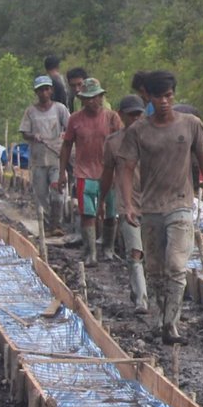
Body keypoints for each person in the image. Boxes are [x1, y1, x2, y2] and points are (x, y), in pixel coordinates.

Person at [115, 70, 203, 343]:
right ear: (149, 98)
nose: (164, 101)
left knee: (176, 265)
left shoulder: (190, 125)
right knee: (155, 269)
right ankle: (160, 318)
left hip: (180, 205)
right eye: (159, 97)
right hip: (151, 207)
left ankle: (171, 324)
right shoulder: (139, 131)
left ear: (173, 95)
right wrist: (128, 204)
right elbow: (126, 168)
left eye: (168, 96)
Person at [59, 78, 122, 265]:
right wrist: (62, 172)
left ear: (101, 97)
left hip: (108, 172)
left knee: (110, 212)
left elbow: (122, 143)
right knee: (87, 213)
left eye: (96, 97)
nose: (92, 101)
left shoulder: (111, 118)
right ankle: (90, 252)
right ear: (82, 100)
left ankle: (108, 248)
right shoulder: (75, 119)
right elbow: (66, 145)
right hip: (84, 172)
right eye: (88, 98)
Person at [100, 94, 151, 312]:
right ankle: (141, 299)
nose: (136, 119)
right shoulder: (113, 143)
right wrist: (102, 200)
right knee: (134, 252)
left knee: (152, 254)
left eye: (139, 114)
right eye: (131, 115)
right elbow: (107, 174)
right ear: (121, 115)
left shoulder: (153, 139)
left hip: (153, 203)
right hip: (127, 204)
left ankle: (147, 292)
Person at [19, 75, 70, 236]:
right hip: (39, 159)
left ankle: (57, 224)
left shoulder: (60, 109)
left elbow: (70, 127)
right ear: (36, 92)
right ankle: (48, 225)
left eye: (46, 89)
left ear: (51, 90)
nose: (44, 93)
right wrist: (33, 136)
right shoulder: (31, 112)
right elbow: (24, 132)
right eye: (40, 90)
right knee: (41, 194)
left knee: (57, 192)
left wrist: (64, 135)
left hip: (57, 158)